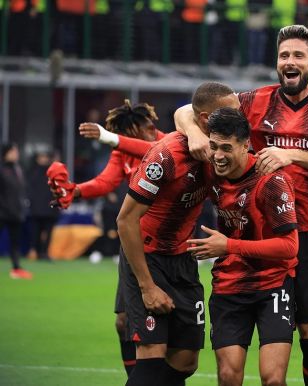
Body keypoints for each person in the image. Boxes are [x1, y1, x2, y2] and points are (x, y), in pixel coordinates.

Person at [175, 25, 308, 386]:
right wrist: (194, 132)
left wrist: (288, 154)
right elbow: (189, 109)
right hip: (297, 233)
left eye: (298, 56)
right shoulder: (254, 101)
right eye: (284, 56)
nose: (290, 62)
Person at [117, 82, 240, 386]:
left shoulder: (220, 148)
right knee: (151, 354)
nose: (240, 119)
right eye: (231, 113)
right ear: (205, 119)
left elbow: (186, 110)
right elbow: (125, 220)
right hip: (149, 259)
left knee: (186, 362)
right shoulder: (166, 157)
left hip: (183, 259)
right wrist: (147, 287)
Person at [46, 100, 164, 378]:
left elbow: (154, 151)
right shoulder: (123, 153)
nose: (146, 134)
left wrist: (110, 138)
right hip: (134, 241)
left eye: (145, 129)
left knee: (162, 328)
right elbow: (106, 182)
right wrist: (72, 192)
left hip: (166, 243)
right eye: (135, 132)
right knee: (123, 323)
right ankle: (135, 380)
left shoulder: (167, 144)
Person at [186, 107, 299, 385]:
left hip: (272, 284)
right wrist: (108, 137)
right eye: (213, 146)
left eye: (227, 148)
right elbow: (167, 139)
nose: (218, 156)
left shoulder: (272, 181)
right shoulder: (211, 169)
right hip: (229, 286)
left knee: (273, 379)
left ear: (246, 145)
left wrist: (229, 246)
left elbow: (290, 247)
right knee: (227, 377)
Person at [0, 143, 32, 280]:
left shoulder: (19, 169)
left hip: (16, 212)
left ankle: (16, 268)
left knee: (15, 242)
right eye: (13, 151)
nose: (16, 154)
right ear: (6, 153)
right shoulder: (1, 170)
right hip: (2, 212)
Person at [26, 150, 59, 261]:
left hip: (50, 208)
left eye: (45, 157)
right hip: (37, 208)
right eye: (42, 157)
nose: (44, 159)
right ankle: (33, 251)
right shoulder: (32, 172)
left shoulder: (52, 172)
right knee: (35, 232)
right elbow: (30, 191)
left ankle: (44, 252)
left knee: (48, 232)